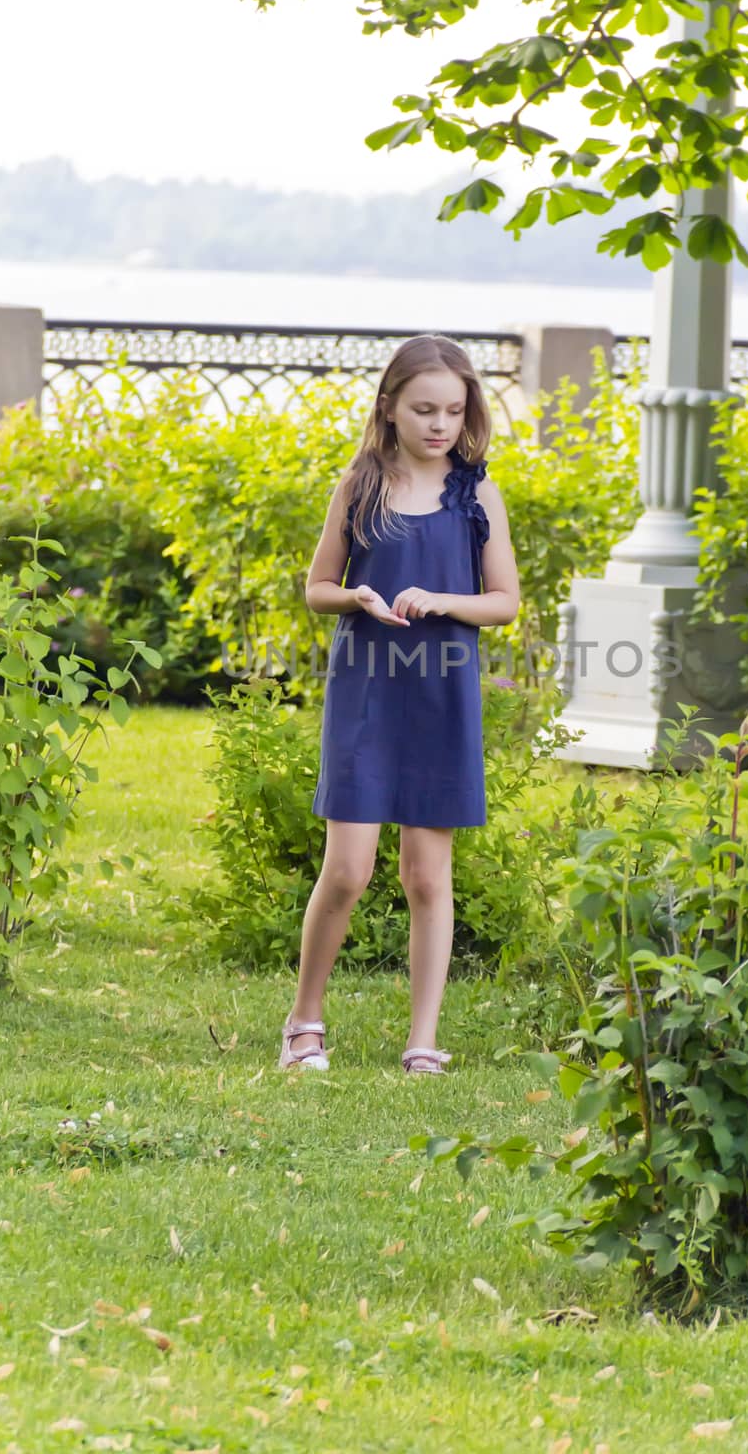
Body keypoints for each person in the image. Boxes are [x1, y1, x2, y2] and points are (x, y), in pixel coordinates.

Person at [279, 334, 521, 1076]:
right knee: (347, 870)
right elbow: (317, 587)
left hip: (442, 698)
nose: (439, 424)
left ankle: (423, 1039)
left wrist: (442, 601)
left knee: (426, 876)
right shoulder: (357, 485)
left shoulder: (476, 493)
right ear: (389, 408)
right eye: (423, 409)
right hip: (366, 695)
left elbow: (504, 603)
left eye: (452, 410)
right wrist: (353, 594)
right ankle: (303, 1022)